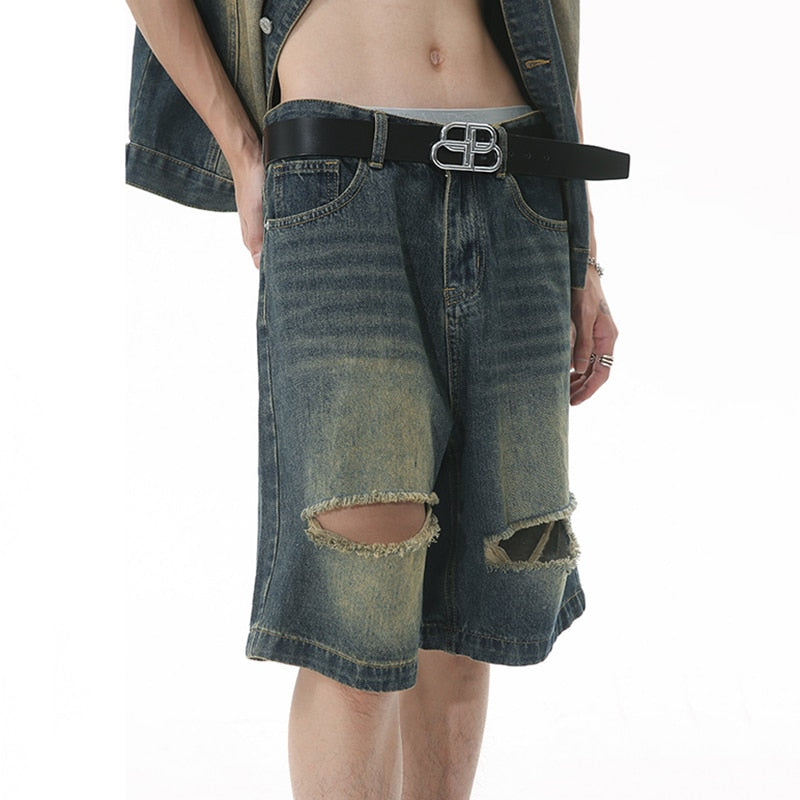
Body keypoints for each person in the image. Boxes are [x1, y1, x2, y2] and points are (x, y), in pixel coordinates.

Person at [125, 1, 628, 797]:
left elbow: (551, 27)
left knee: (467, 613)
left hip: (520, 179)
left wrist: (583, 250)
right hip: (338, 175)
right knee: (357, 597)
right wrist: (242, 150)